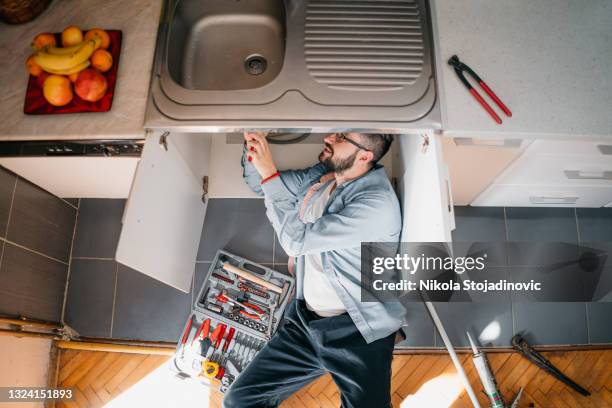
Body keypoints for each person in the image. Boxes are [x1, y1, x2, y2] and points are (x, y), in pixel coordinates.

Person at [222, 132, 405, 408]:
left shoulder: (375, 203)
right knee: (239, 401)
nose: (329, 137)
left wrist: (270, 175)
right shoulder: (322, 178)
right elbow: (260, 184)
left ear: (365, 156)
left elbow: (296, 240)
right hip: (307, 322)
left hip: (357, 330)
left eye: (342, 137)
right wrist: (255, 143)